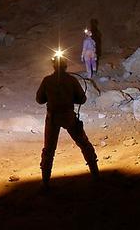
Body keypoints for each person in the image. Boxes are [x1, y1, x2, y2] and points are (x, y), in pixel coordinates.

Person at [36, 55, 98, 189]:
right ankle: (95, 173)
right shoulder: (72, 80)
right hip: (69, 116)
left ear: (53, 66)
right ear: (65, 66)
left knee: (49, 150)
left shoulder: (47, 80)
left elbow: (39, 100)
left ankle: (45, 182)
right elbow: (82, 99)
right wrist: (69, 98)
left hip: (53, 118)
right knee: (83, 143)